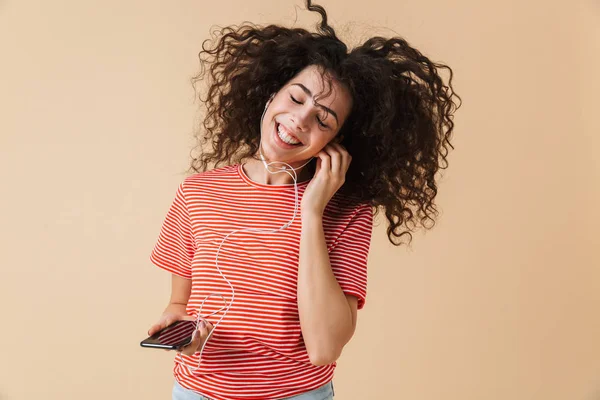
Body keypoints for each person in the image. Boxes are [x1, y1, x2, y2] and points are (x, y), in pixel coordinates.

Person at [146, 1, 461, 399]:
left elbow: (324, 347)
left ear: (337, 143)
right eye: (296, 98)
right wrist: (180, 330)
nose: (300, 119)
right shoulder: (198, 192)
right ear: (270, 92)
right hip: (197, 393)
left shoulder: (346, 212)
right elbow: (180, 301)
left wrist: (312, 212)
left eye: (324, 119)